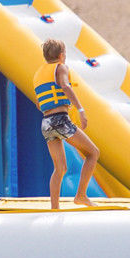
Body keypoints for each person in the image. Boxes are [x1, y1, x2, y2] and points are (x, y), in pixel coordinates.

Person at [35, 39, 99, 210]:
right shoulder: (61, 67)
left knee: (60, 168)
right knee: (93, 153)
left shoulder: (39, 74)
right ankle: (81, 195)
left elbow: (39, 103)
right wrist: (80, 109)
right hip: (59, 120)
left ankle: (54, 208)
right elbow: (65, 85)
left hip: (46, 123)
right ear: (62, 55)